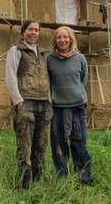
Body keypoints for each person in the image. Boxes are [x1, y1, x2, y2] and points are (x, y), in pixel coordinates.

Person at [5, 19, 53, 189]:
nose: (34, 33)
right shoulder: (16, 50)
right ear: (23, 31)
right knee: (25, 148)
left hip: (44, 106)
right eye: (30, 29)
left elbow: (49, 78)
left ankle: (39, 185)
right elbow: (10, 77)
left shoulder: (43, 53)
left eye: (37, 30)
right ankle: (25, 186)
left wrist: (50, 100)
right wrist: (18, 102)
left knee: (41, 148)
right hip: (26, 103)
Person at [47, 26, 94, 185]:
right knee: (59, 145)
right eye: (59, 37)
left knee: (79, 143)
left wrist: (75, 94)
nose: (62, 40)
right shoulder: (49, 59)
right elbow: (47, 82)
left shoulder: (80, 58)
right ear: (55, 40)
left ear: (71, 39)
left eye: (65, 37)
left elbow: (83, 80)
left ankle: (84, 178)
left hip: (77, 107)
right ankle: (63, 179)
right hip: (57, 108)